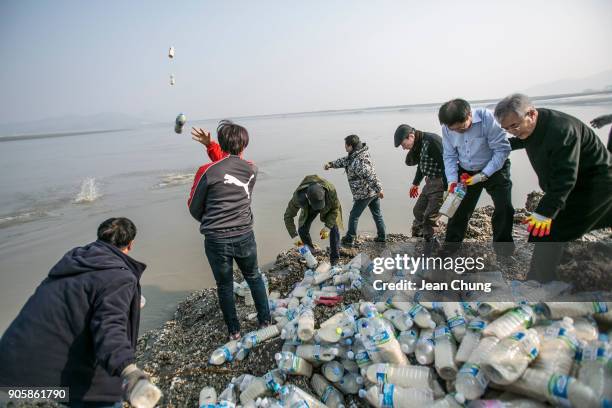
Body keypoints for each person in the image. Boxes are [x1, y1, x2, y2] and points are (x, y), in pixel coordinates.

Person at [0, 218, 159, 408]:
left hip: (9, 372)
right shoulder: (119, 276)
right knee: (107, 398)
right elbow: (109, 329)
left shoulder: (73, 262)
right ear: (130, 244)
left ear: (101, 237)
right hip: (54, 386)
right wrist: (129, 371)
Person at [495, 94, 612, 282]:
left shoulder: (561, 130)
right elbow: (524, 138)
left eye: (514, 126)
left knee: (547, 230)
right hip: (572, 187)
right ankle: (559, 267)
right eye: (506, 128)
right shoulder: (532, 126)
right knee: (551, 229)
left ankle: (539, 281)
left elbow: (565, 179)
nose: (511, 131)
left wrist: (544, 213)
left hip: (595, 186)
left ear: (531, 114)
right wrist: (498, 147)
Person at [189, 121, 271, 340]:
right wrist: (211, 146)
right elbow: (230, 166)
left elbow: (194, 207)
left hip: (217, 239)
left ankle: (234, 332)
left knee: (224, 285)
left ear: (222, 142)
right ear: (244, 144)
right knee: (254, 276)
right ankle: (265, 321)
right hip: (245, 233)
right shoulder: (252, 169)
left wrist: (211, 220)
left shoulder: (206, 171)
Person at [439, 98, 515, 257]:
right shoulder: (447, 129)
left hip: (495, 168)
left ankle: (504, 251)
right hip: (466, 171)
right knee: (458, 209)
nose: (458, 132)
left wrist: (483, 175)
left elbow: (502, 150)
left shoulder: (487, 118)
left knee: (504, 207)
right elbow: (449, 156)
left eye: (461, 128)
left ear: (469, 116)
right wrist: (452, 181)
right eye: (454, 130)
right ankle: (450, 247)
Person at [324, 134, 386, 246]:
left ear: (351, 146)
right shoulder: (357, 155)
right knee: (377, 214)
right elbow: (345, 161)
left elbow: (370, 175)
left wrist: (379, 189)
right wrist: (331, 164)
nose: (344, 147)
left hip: (364, 194)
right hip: (371, 192)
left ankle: (349, 238)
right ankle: (382, 236)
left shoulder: (359, 161)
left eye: (346, 145)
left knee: (354, 216)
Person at [394, 124, 446, 249]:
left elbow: (447, 164)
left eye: (403, 144)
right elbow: (422, 165)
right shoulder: (418, 143)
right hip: (429, 182)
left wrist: (448, 189)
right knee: (418, 211)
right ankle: (430, 234)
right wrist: (415, 183)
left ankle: (432, 242)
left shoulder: (432, 141)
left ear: (411, 136)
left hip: (441, 182)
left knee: (429, 216)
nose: (403, 148)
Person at [284, 175, 343, 265]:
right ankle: (310, 252)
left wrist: (327, 227)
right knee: (302, 229)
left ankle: (335, 257)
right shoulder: (298, 197)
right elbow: (288, 216)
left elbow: (335, 209)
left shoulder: (330, 190)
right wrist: (295, 238)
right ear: (307, 197)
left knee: (334, 227)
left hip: (327, 206)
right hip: (309, 207)